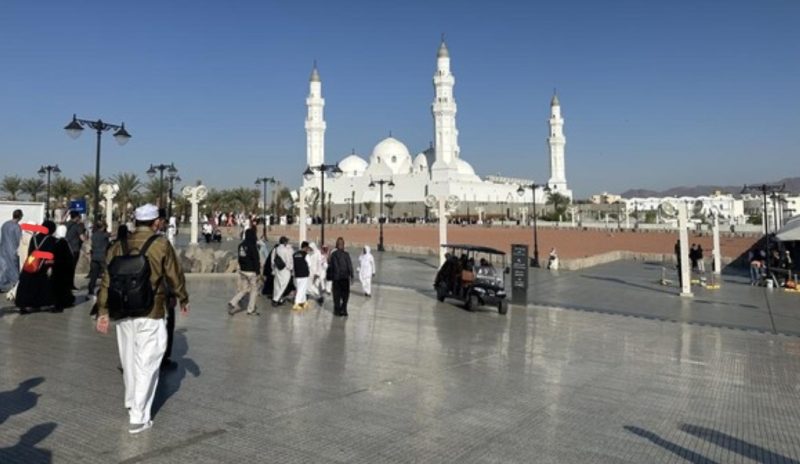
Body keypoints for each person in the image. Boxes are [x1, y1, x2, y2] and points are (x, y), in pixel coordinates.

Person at [95, 204, 189, 434]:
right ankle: (139, 416)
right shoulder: (161, 244)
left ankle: (130, 401)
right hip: (151, 310)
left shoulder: (118, 245)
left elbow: (106, 280)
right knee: (147, 362)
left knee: (128, 360)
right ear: (156, 222)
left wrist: (103, 311)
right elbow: (174, 275)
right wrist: (182, 297)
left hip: (123, 312)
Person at [15, 221, 57, 314]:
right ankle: (47, 304)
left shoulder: (34, 238)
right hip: (42, 265)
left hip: (31, 263)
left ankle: (24, 305)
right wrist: (50, 266)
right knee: (44, 285)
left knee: (27, 285)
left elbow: (30, 252)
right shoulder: (51, 239)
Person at [228, 227, 261, 316]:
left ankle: (233, 302)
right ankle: (250, 310)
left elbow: (240, 258)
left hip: (243, 271)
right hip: (251, 272)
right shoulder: (252, 246)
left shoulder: (241, 245)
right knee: (254, 291)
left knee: (244, 290)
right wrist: (258, 272)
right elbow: (256, 260)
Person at [51, 225, 76, 312]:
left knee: (58, 287)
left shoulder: (56, 242)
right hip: (65, 269)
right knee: (64, 287)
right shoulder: (66, 242)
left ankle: (59, 304)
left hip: (57, 269)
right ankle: (66, 301)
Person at [328, 237, 354, 317]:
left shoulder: (333, 255)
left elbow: (330, 266)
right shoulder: (346, 255)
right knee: (345, 295)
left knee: (337, 295)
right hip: (345, 278)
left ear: (336, 245)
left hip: (336, 279)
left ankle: (337, 310)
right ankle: (344, 309)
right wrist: (352, 276)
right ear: (343, 245)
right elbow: (350, 266)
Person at [0, 209, 23, 292]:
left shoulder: (5, 224)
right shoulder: (17, 227)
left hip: (3, 250)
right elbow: (19, 240)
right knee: (14, 269)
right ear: (20, 217)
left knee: (3, 269)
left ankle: (1, 285)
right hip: (12, 250)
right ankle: (16, 286)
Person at [87, 221, 110, 297]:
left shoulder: (93, 235)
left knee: (94, 275)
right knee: (107, 273)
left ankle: (90, 290)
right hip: (102, 257)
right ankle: (108, 288)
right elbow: (112, 235)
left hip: (94, 257)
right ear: (103, 227)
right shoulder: (104, 235)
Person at [64, 211, 86, 289]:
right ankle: (70, 284)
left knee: (65, 268)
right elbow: (82, 238)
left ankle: (64, 284)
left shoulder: (65, 225)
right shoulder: (78, 226)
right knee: (72, 268)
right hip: (74, 249)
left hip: (65, 249)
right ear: (76, 217)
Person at [271, 236, 293, 307]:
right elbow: (289, 260)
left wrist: (273, 268)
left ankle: (278, 299)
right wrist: (290, 268)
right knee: (283, 285)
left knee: (277, 285)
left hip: (277, 269)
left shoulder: (276, 249)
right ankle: (276, 299)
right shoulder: (286, 250)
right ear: (285, 242)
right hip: (285, 270)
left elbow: (272, 260)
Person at [292, 241, 311, 311]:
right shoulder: (306, 255)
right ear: (305, 247)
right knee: (301, 289)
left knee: (301, 288)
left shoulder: (295, 254)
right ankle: (296, 303)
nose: (308, 249)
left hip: (297, 274)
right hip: (304, 274)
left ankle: (303, 301)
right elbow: (309, 264)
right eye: (307, 248)